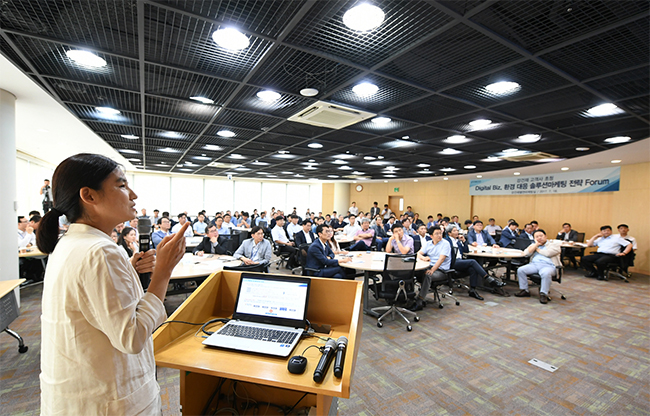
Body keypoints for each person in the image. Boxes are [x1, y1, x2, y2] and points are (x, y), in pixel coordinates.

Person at [36, 153, 188, 415]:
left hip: (81, 392)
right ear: (89, 196)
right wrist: (163, 273)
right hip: (107, 400)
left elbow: (90, 303)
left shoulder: (71, 243)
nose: (133, 194)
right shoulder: (100, 251)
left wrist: (127, 269)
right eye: (121, 185)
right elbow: (132, 336)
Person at [445, 225, 505, 301]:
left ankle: (472, 290)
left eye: (457, 230)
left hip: (459, 261)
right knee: (473, 262)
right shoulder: (446, 241)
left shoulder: (457, 241)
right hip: (452, 262)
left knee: (472, 269)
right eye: (454, 231)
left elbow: (466, 251)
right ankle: (489, 279)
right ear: (449, 233)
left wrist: (464, 241)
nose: (457, 232)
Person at [515, 229, 562, 304]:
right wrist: (536, 245)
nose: (539, 238)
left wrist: (536, 249)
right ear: (534, 238)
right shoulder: (534, 244)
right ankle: (524, 290)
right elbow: (526, 253)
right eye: (537, 237)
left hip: (549, 266)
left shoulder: (554, 244)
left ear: (545, 236)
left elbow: (548, 253)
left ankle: (543, 294)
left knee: (545, 273)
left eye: (541, 236)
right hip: (534, 264)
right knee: (521, 270)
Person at [412, 227, 451, 311]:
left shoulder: (445, 244)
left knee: (428, 275)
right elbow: (418, 253)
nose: (439, 235)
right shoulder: (428, 243)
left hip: (441, 270)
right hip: (428, 266)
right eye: (436, 234)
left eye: (440, 233)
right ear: (431, 236)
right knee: (412, 272)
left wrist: (432, 270)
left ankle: (420, 300)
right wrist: (423, 258)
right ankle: (410, 296)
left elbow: (441, 259)